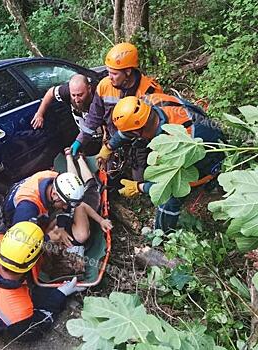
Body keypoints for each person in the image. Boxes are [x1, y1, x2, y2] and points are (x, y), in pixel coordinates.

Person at [104, 94, 225, 232]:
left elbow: (168, 185)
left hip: (210, 160)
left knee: (168, 198)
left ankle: (163, 236)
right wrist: (108, 147)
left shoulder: (177, 146)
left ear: (137, 131)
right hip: (206, 128)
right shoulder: (152, 102)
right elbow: (131, 129)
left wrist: (139, 187)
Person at [0, 221, 85, 341]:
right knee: (39, 314)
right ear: (31, 264)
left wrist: (46, 239)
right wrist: (60, 294)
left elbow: (20, 247)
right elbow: (35, 327)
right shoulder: (18, 312)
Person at [71, 42, 163, 181]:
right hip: (113, 139)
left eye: (114, 73)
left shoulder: (149, 91)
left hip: (139, 141)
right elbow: (94, 117)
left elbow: (157, 128)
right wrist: (80, 140)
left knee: (140, 179)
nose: (110, 77)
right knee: (109, 176)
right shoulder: (105, 86)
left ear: (128, 72)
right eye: (108, 72)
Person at [3, 152, 112, 249]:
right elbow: (18, 239)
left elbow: (72, 188)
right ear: (54, 195)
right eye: (65, 204)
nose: (66, 207)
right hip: (15, 215)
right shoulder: (27, 208)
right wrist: (47, 238)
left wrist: (101, 220)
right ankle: (73, 156)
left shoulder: (52, 177)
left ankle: (74, 157)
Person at [31, 74, 103, 155]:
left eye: (80, 95)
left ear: (89, 89)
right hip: (85, 133)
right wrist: (40, 113)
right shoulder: (65, 91)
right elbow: (51, 92)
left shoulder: (99, 92)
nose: (76, 100)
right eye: (73, 95)